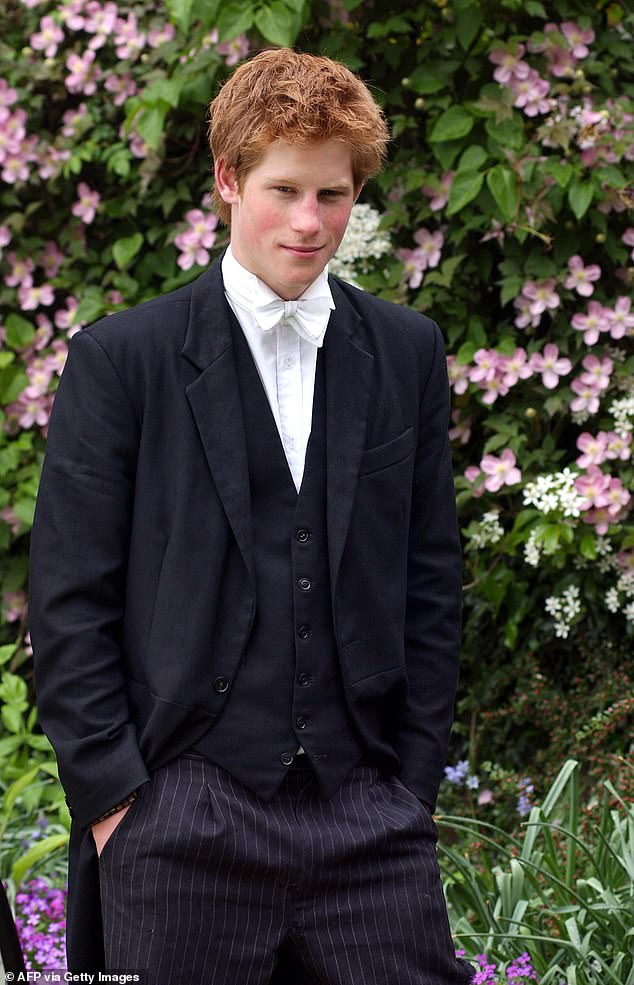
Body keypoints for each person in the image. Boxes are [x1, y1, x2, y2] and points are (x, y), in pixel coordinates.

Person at [29, 48, 474, 984]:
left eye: (334, 196)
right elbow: (68, 599)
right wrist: (118, 805)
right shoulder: (123, 359)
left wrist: (413, 786)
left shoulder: (405, 352)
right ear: (228, 181)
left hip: (368, 811)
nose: (310, 224)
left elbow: (433, 577)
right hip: (180, 814)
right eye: (283, 190)